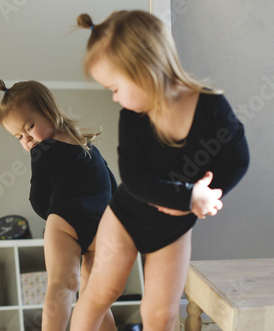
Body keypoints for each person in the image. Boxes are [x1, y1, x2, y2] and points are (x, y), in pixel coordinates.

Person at [69, 10, 250, 331]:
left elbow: (237, 159)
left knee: (160, 314)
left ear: (143, 69)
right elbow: (134, 177)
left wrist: (208, 194)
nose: (114, 99)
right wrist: (186, 195)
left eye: (114, 88)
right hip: (125, 218)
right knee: (100, 294)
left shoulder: (212, 107)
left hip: (172, 230)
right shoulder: (133, 117)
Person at [0, 79, 118, 331]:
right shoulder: (87, 146)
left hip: (66, 220)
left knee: (69, 287)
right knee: (91, 294)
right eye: (19, 136)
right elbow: (111, 184)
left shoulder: (48, 149)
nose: (27, 139)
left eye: (30, 127)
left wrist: (52, 211)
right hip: (83, 225)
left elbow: (38, 200)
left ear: (49, 112)